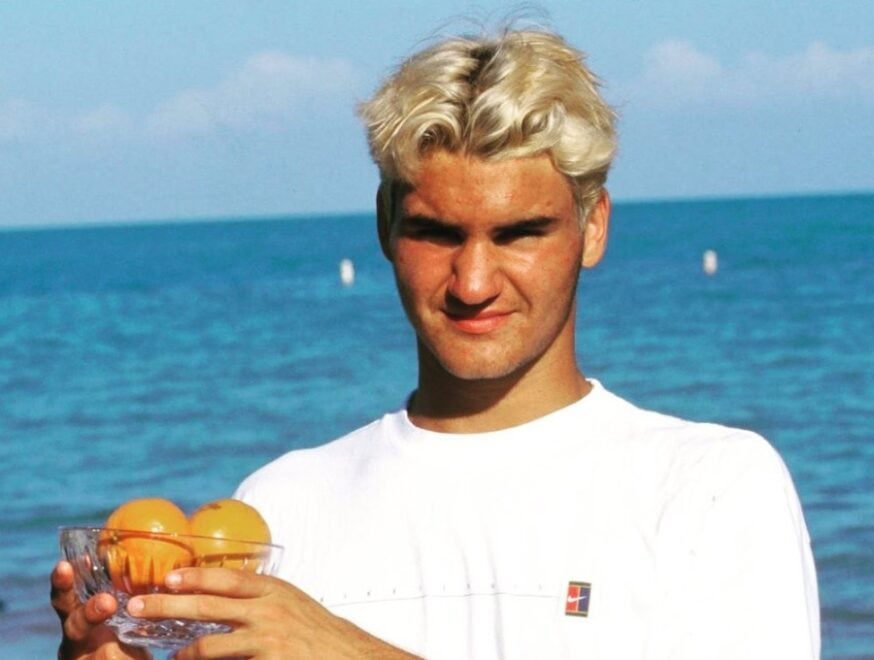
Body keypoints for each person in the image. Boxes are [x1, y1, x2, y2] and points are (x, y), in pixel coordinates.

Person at [51, 27, 820, 659]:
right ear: (385, 226)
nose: (474, 281)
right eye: (437, 233)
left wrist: (347, 650)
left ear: (593, 228)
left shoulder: (709, 488)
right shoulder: (281, 507)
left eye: (519, 233)